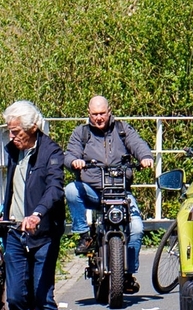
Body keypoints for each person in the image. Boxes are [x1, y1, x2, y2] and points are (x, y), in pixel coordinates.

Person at [1, 100, 66, 310]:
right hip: (15, 231)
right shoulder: (13, 152)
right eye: (9, 132)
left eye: (16, 132)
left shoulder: (51, 151)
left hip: (43, 233)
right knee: (15, 298)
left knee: (43, 296)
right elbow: (13, 191)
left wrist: (37, 214)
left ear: (33, 128)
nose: (12, 137)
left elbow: (54, 188)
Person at [64, 95, 153, 294]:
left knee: (137, 228)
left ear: (109, 111)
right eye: (94, 114)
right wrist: (74, 162)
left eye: (102, 113)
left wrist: (145, 157)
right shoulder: (82, 133)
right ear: (89, 114)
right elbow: (70, 154)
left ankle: (128, 274)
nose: (99, 118)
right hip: (93, 191)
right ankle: (83, 235)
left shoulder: (122, 129)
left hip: (121, 191)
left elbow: (138, 144)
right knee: (71, 189)